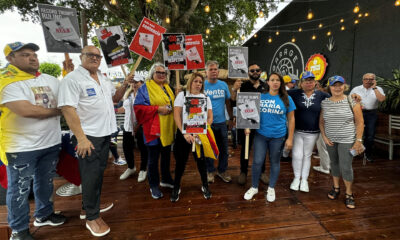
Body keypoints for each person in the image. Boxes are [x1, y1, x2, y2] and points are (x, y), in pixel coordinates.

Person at [59, 46, 132, 237]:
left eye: (98, 56)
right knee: (91, 176)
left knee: (97, 175)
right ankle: (92, 217)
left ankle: (88, 208)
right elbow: (67, 109)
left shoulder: (103, 77)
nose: (95, 58)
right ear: (81, 57)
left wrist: (125, 84)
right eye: (90, 55)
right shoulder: (72, 79)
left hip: (105, 133)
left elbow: (115, 98)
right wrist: (81, 138)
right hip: (88, 136)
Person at [0, 42, 66, 240]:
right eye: (24, 55)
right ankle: (19, 230)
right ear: (10, 59)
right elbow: (28, 110)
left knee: (45, 182)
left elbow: (67, 95)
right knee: (19, 189)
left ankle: (44, 214)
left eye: (34, 54)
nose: (32, 58)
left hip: (50, 142)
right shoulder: (6, 81)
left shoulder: (49, 79)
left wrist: (68, 76)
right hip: (21, 147)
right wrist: (59, 111)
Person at [244, 73, 295, 202]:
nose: (275, 82)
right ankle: (254, 186)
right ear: (268, 82)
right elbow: (249, 112)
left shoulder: (287, 98)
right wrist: (247, 126)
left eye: (278, 80)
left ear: (281, 83)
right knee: (257, 161)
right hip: (261, 135)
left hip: (278, 136)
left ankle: (271, 188)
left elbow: (291, 119)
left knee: (274, 162)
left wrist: (290, 138)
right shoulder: (261, 97)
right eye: (272, 80)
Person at [320, 76, 364, 209]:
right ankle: (336, 187)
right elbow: (321, 122)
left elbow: (360, 122)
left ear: (345, 86)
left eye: (340, 85)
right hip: (331, 140)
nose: (337, 87)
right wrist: (324, 136)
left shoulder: (352, 101)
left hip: (347, 140)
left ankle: (349, 193)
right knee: (334, 163)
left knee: (346, 166)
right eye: (334, 85)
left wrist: (358, 140)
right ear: (329, 87)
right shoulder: (325, 102)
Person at [171, 73, 216, 202]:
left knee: (201, 162)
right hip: (183, 135)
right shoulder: (182, 95)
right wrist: (184, 133)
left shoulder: (206, 98)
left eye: (200, 82)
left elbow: (210, 117)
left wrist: (201, 131)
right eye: (195, 81)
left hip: (199, 135)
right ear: (190, 82)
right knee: (180, 162)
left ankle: (205, 185)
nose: (198, 84)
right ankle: (176, 187)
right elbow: (177, 115)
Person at [134, 63, 176, 199]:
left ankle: (166, 179)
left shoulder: (168, 88)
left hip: (167, 128)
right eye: (158, 72)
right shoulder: (145, 88)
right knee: (153, 159)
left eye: (164, 73)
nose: (161, 75)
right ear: (152, 73)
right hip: (153, 129)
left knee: (166, 156)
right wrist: (157, 109)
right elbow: (138, 107)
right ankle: (154, 185)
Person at [288, 71, 330, 192]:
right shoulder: (294, 93)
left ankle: (304, 180)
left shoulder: (322, 95)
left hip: (313, 132)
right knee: (296, 155)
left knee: (307, 156)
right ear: (301, 83)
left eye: (311, 80)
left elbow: (336, 99)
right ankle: (296, 178)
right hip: (297, 131)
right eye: (306, 80)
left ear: (315, 82)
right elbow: (279, 94)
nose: (309, 82)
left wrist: (353, 98)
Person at [235, 63, 269, 186]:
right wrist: (234, 89)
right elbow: (234, 101)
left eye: (257, 70)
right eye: (252, 70)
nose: (255, 72)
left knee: (261, 149)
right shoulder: (242, 86)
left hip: (262, 123)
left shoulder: (266, 86)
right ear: (248, 72)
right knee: (245, 148)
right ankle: (243, 172)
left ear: (260, 71)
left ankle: (262, 172)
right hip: (246, 122)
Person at [204, 60, 234, 183]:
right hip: (206, 123)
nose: (214, 71)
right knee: (209, 148)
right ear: (206, 72)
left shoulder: (223, 85)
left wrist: (231, 118)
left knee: (224, 149)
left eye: (215, 69)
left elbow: (228, 102)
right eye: (211, 69)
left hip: (222, 122)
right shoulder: (202, 85)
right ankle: (210, 171)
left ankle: (222, 171)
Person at [350, 73, 385, 162]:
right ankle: (353, 153)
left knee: (370, 135)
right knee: (354, 134)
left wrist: (375, 88)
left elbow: (381, 99)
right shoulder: (356, 89)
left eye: (371, 79)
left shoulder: (378, 89)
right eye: (366, 79)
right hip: (358, 113)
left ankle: (367, 154)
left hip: (371, 114)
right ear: (363, 80)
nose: (368, 81)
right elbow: (349, 100)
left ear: (374, 80)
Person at [119, 75, 148, 182]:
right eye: (133, 82)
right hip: (128, 127)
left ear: (142, 83)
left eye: (137, 82)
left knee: (143, 149)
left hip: (141, 126)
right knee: (126, 148)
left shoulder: (146, 95)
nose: (134, 84)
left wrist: (139, 125)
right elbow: (125, 108)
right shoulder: (128, 95)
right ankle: (131, 167)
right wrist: (115, 111)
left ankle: (143, 169)